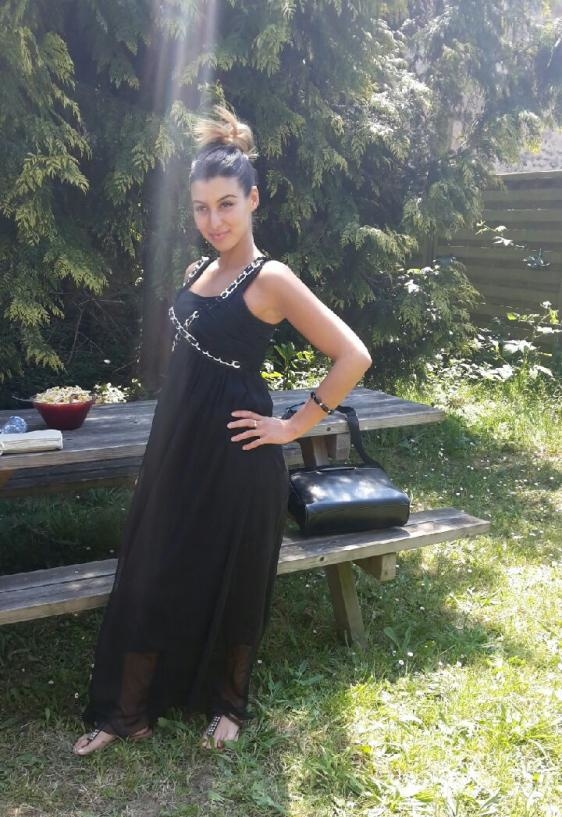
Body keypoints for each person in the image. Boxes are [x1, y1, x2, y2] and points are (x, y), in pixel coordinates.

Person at [72, 105, 371, 756]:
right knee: (155, 571)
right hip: (180, 454)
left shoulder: (272, 279)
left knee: (234, 580)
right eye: (202, 208)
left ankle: (228, 705)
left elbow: (353, 355)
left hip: (239, 458)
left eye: (227, 205)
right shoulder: (198, 273)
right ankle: (129, 712)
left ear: (253, 200)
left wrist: (293, 426)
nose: (214, 221)